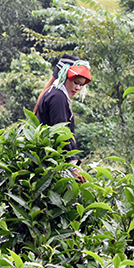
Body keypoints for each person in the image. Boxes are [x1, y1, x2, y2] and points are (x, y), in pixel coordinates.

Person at [33, 54, 92, 183]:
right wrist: (72, 167)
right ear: (64, 76)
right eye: (76, 82)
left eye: (81, 85)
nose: (77, 88)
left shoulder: (54, 94)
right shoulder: (58, 97)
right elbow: (60, 134)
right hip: (52, 165)